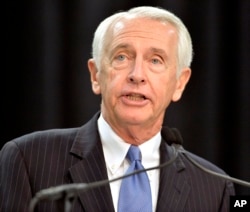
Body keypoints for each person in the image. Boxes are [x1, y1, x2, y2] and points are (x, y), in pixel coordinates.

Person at [0, 6, 235, 212]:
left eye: (155, 60)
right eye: (121, 57)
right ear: (95, 75)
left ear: (179, 83)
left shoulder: (216, 186)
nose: (137, 75)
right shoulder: (28, 159)